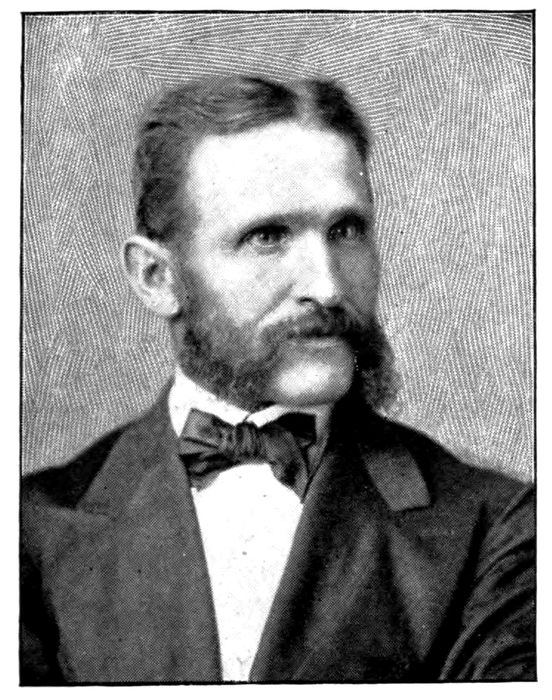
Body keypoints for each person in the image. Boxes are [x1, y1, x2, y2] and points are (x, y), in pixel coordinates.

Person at [20, 75, 535, 684]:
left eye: (346, 231)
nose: (327, 286)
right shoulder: (30, 531)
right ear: (157, 278)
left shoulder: (497, 528)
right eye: (267, 237)